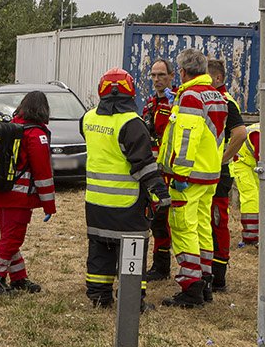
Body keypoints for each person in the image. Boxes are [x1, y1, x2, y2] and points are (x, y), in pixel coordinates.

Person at [80, 69, 168, 307]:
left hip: (96, 203)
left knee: (100, 247)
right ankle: (131, 301)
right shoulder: (132, 123)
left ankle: (99, 296)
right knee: (132, 249)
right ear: (131, 93)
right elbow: (143, 165)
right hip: (127, 205)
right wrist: (160, 192)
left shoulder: (88, 119)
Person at [158, 49, 227, 308]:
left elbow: (187, 138)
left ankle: (191, 286)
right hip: (209, 174)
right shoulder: (215, 94)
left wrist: (180, 173)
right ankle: (205, 280)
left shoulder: (191, 96)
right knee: (201, 227)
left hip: (189, 176)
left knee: (183, 227)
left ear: (183, 71)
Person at [0, 89, 56, 294]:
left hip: (1, 192)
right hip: (18, 198)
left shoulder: (13, 126)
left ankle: (19, 278)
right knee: (12, 239)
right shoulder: (36, 135)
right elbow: (43, 173)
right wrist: (49, 205)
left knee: (9, 237)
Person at [202, 59, 251, 293]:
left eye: (206, 77)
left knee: (217, 221)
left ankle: (218, 276)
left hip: (220, 174)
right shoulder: (207, 100)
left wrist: (222, 159)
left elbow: (240, 133)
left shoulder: (225, 101)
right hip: (205, 170)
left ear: (218, 78)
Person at [141, 57, 176, 281]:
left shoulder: (177, 102)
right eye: (153, 75)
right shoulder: (150, 103)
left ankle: (163, 267)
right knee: (156, 218)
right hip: (153, 170)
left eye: (161, 75)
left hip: (172, 172)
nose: (157, 79)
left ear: (172, 76)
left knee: (166, 220)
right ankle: (160, 266)